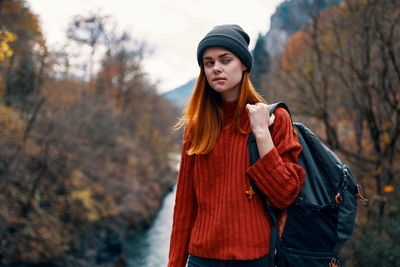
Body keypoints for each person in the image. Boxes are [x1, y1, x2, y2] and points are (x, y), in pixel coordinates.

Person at [168, 24, 305, 267]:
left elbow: (285, 195)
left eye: (225, 60)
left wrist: (262, 133)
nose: (216, 68)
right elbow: (185, 205)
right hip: (202, 260)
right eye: (208, 63)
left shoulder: (275, 118)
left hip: (256, 259)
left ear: (243, 63)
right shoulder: (197, 126)